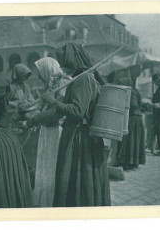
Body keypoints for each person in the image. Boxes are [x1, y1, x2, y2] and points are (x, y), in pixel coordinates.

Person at [41, 43, 111, 207]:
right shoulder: (87, 77)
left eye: (63, 62)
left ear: (71, 60)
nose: (62, 67)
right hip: (84, 135)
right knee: (85, 178)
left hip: (79, 138)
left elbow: (77, 111)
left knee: (77, 177)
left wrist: (52, 101)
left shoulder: (81, 79)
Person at [27, 57, 67, 207]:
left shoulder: (63, 83)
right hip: (46, 130)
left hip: (56, 130)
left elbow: (58, 112)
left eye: (40, 72)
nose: (38, 76)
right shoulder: (49, 86)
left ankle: (50, 201)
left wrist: (36, 118)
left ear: (47, 70)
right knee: (44, 165)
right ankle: (43, 199)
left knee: (51, 166)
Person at [116, 78, 146, 171]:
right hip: (137, 118)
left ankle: (129, 163)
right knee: (135, 141)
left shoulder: (131, 92)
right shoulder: (134, 91)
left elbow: (133, 105)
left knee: (131, 140)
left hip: (133, 118)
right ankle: (134, 163)